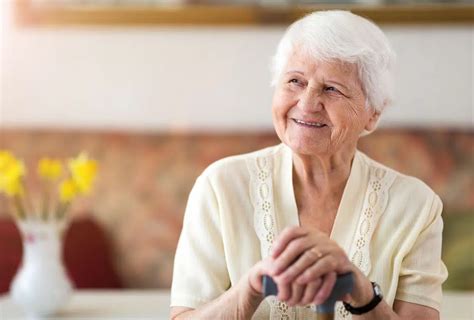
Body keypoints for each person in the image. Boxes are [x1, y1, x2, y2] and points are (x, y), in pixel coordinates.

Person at [170, 10, 447, 320]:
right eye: (295, 81)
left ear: (373, 113)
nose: (307, 103)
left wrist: (362, 292)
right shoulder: (220, 185)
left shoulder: (416, 206)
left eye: (332, 89)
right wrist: (250, 288)